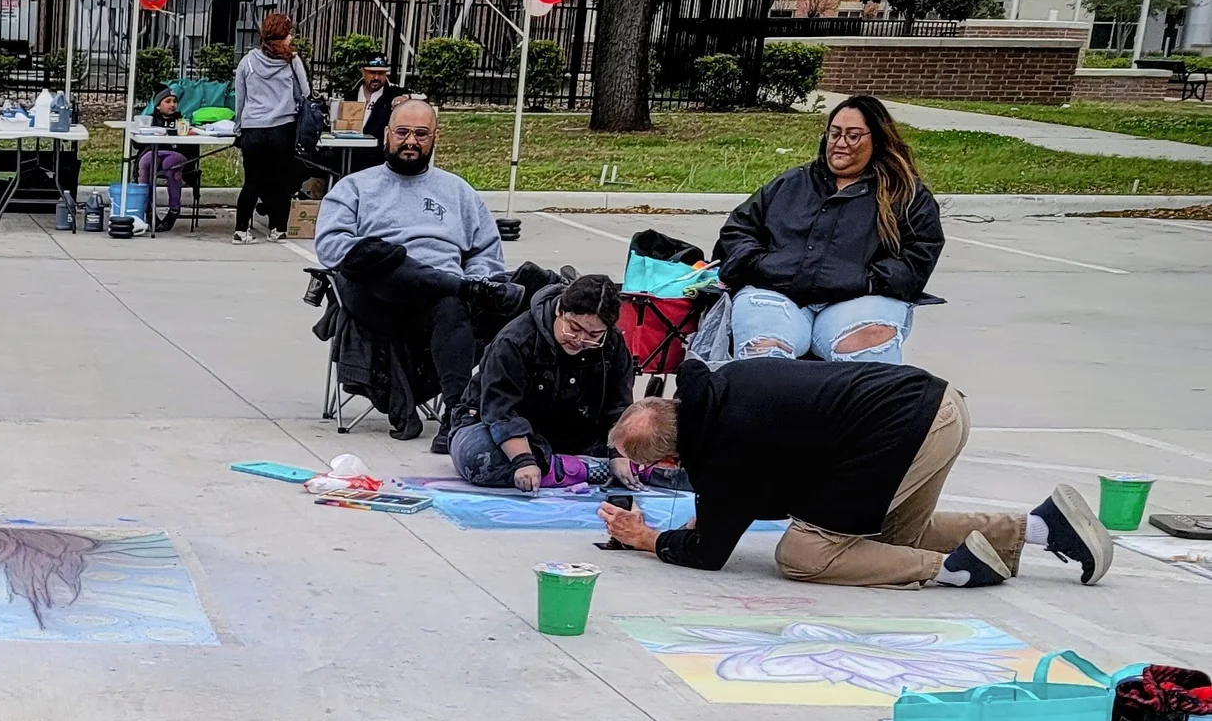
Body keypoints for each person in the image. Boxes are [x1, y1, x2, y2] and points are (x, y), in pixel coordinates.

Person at [598, 356, 1114, 589]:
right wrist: (707, 518)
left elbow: (711, 554)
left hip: (903, 431)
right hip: (938, 403)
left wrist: (648, 539)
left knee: (804, 554)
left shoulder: (721, 454)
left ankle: (953, 570)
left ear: (668, 461)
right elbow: (755, 492)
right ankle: (1045, 528)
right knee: (892, 537)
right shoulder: (723, 383)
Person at [311, 92, 509, 440]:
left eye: (421, 134)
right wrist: (382, 258)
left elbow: (486, 254)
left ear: (436, 138)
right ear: (387, 134)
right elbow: (331, 247)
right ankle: (454, 285)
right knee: (387, 259)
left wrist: (474, 278)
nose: (410, 142)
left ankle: (457, 418)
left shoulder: (459, 192)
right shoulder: (355, 187)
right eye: (402, 132)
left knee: (452, 306)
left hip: (435, 308)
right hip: (378, 300)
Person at [713, 93, 940, 363]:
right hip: (778, 295)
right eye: (835, 134)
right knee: (762, 350)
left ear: (877, 140)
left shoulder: (905, 195)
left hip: (859, 301)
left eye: (853, 136)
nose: (840, 144)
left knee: (870, 340)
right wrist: (762, 265)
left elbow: (918, 258)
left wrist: (866, 280)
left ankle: (861, 404)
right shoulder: (790, 184)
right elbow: (736, 232)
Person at [447, 272, 634, 490]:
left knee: (648, 449)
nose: (581, 340)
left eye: (593, 336)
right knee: (480, 461)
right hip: (495, 427)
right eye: (574, 328)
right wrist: (523, 460)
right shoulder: (516, 340)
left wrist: (619, 453)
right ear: (559, 311)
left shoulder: (612, 344)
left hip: (573, 433)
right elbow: (500, 412)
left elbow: (619, 406)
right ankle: (580, 469)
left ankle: (565, 467)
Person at [230, 9, 310, 241]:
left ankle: (241, 229)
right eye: (289, 33)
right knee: (280, 181)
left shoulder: (248, 62)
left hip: (253, 128)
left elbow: (240, 99)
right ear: (283, 36)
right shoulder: (292, 61)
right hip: (282, 127)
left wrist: (238, 128)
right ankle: (278, 228)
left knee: (252, 181)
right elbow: (303, 93)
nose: (292, 37)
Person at [134, 87, 188, 229]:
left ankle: (174, 210)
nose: (172, 105)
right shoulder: (150, 120)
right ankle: (148, 208)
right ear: (158, 105)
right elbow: (136, 141)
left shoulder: (181, 121)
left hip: (175, 152)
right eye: (168, 101)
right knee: (146, 163)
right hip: (154, 151)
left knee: (171, 165)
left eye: (174, 101)